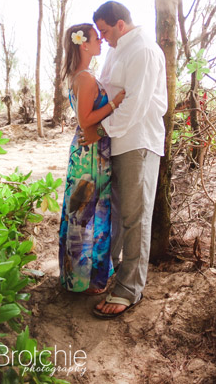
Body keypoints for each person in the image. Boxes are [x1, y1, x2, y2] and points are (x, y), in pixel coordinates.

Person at [82, 1, 168, 319]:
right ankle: (108, 274)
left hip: (138, 141)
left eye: (104, 31)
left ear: (120, 24)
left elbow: (136, 103)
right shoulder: (116, 49)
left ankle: (130, 289)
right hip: (116, 142)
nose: (101, 38)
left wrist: (101, 129)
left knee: (135, 216)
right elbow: (107, 91)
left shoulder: (143, 49)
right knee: (115, 214)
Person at [58, 23, 125, 294]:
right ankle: (83, 281)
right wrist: (113, 104)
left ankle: (81, 278)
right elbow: (85, 120)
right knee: (86, 214)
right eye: (96, 38)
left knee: (87, 213)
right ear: (83, 44)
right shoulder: (84, 77)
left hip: (92, 151)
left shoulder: (83, 75)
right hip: (90, 155)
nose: (101, 41)